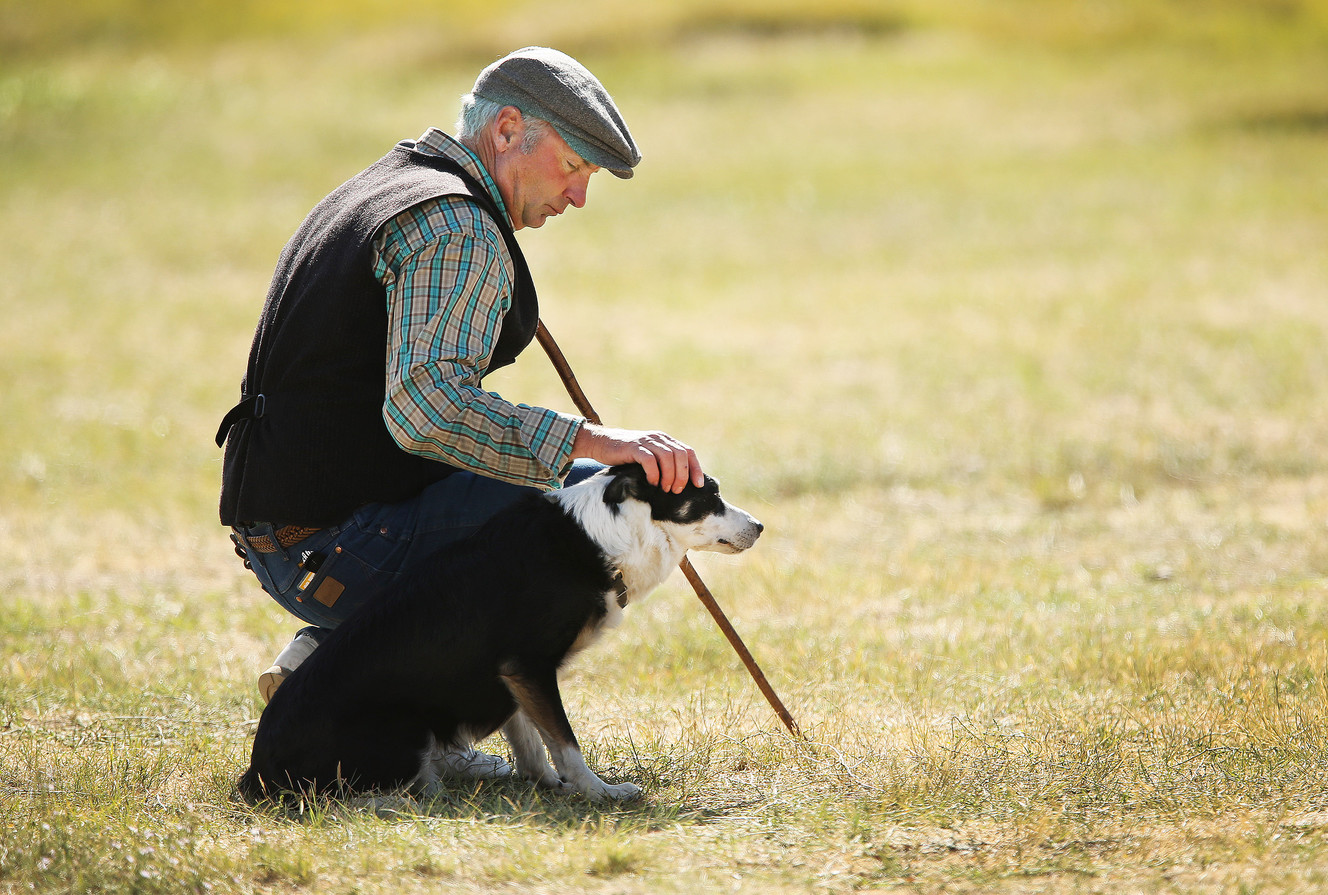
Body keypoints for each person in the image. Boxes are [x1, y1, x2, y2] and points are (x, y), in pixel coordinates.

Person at [215, 47, 702, 779]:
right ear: (507, 129)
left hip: (289, 537)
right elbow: (425, 410)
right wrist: (600, 441)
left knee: (570, 490)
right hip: (337, 545)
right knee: (584, 511)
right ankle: (423, 716)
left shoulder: (392, 183)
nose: (577, 197)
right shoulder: (457, 229)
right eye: (573, 167)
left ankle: (335, 667)